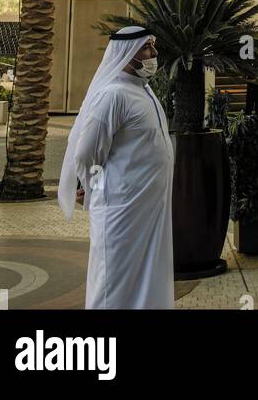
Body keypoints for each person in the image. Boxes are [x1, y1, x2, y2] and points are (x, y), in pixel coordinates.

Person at [58, 26, 175, 309]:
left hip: (148, 212)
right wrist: (94, 189)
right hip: (121, 212)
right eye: (147, 48)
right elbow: (86, 155)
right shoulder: (112, 95)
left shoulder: (143, 91)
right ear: (127, 53)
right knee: (114, 283)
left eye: (152, 47)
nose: (154, 54)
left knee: (147, 278)